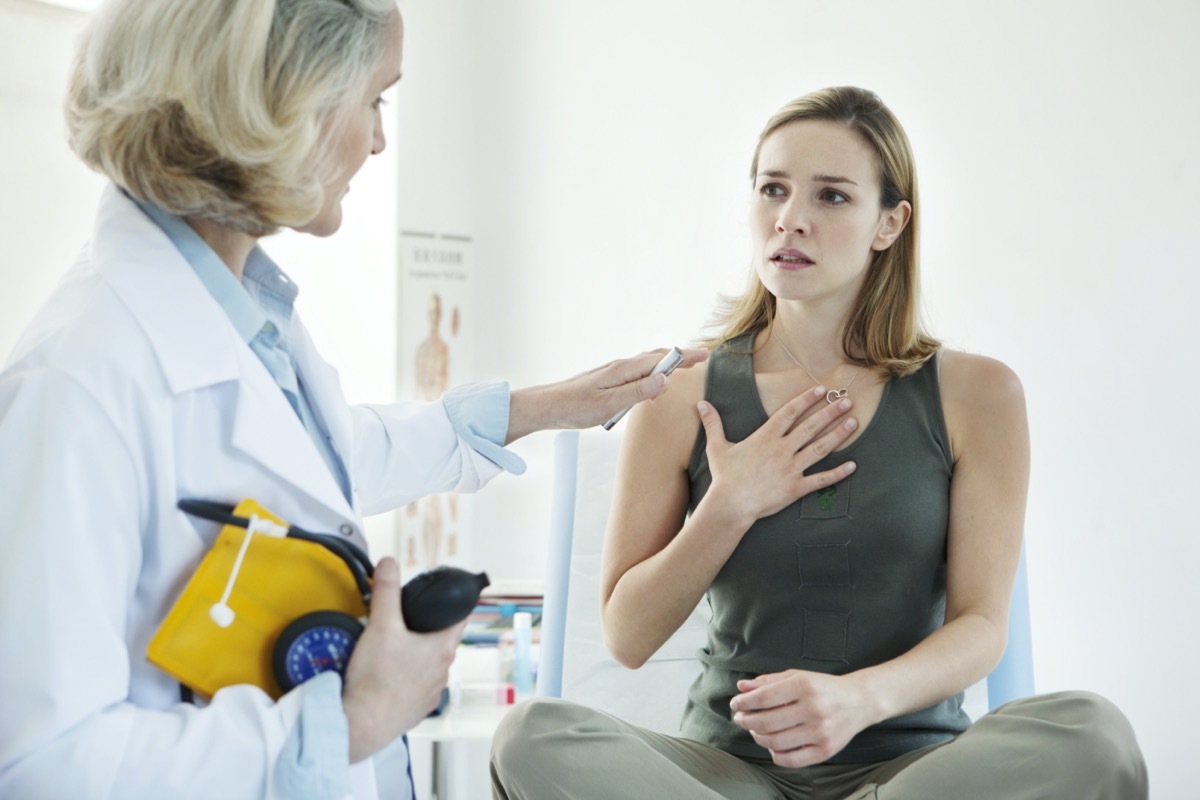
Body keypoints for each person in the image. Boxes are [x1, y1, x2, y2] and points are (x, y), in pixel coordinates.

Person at [0, 1, 705, 798]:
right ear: (282, 103)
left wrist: (545, 406)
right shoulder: (77, 384)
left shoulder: (243, 312)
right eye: (375, 99)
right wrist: (351, 721)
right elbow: (37, 765)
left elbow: (321, 463)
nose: (378, 139)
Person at [490, 86, 1148, 799]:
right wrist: (730, 505)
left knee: (1093, 733)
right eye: (773, 189)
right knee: (532, 737)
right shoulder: (680, 392)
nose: (790, 219)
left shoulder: (979, 395)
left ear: (889, 224)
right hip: (727, 777)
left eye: (831, 197)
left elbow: (983, 625)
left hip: (913, 775)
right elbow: (627, 636)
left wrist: (857, 700)